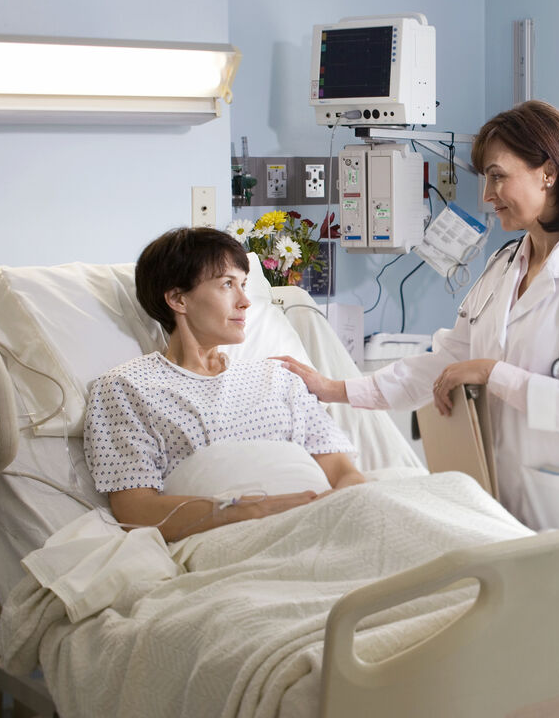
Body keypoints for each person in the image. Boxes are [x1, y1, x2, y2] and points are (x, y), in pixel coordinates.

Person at [277, 100, 559, 530]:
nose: (487, 196)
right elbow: (443, 363)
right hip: (498, 510)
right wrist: (334, 389)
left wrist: (492, 372)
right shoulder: (504, 267)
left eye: (497, 176)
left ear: (549, 173)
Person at [83, 227, 365, 541]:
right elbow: (135, 511)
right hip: (236, 540)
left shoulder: (279, 377)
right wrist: (261, 510)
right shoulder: (127, 388)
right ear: (178, 299)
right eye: (227, 284)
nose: (245, 302)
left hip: (333, 522)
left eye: (244, 284)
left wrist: (334, 509)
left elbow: (345, 474)